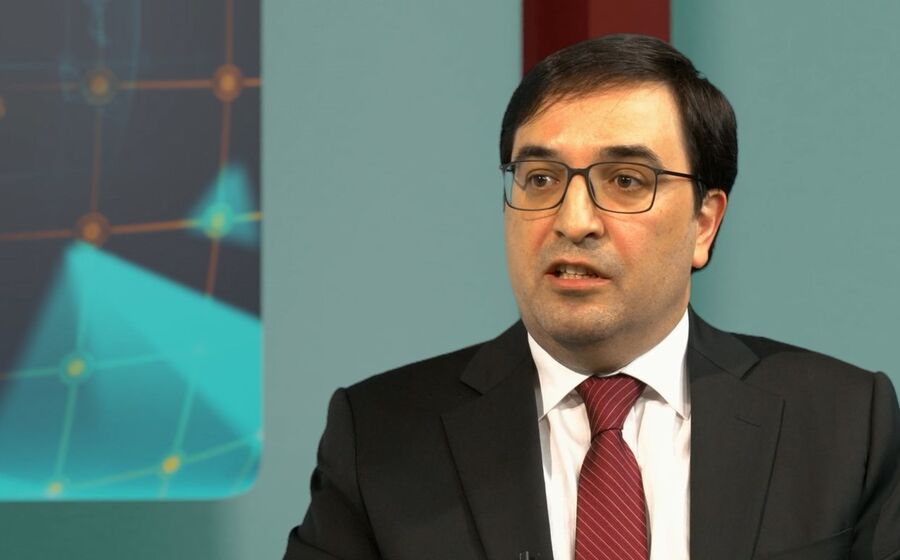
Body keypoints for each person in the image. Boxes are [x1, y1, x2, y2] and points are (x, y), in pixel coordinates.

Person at [284, 34, 900, 560]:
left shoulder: (846, 423)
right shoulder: (380, 436)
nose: (573, 220)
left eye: (626, 180)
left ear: (704, 224)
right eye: (540, 178)